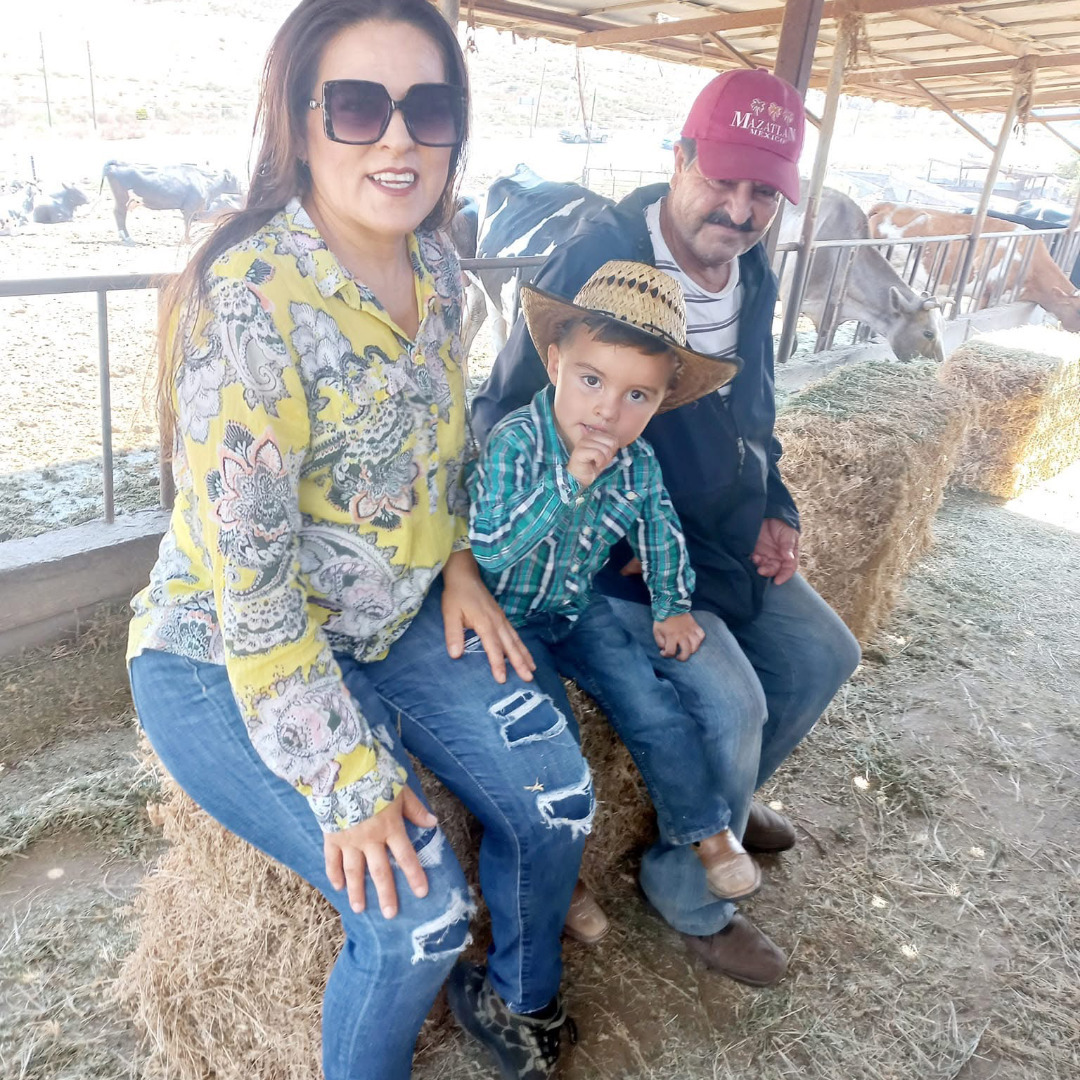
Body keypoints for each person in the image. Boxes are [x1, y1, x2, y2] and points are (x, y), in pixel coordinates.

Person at [127, 3, 586, 1078]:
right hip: (224, 651)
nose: (398, 138)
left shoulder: (444, 276)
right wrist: (346, 776)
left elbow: (442, 449)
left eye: (429, 108)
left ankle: (515, 999)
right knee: (417, 916)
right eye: (357, 105)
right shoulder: (248, 302)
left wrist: (457, 561)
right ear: (301, 122)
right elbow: (254, 589)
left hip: (392, 614)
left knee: (559, 797)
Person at [472, 67, 862, 989]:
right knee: (732, 704)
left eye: (763, 193)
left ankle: (720, 803)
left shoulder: (752, 269)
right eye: (721, 180)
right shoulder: (596, 257)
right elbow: (504, 409)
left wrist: (776, 504)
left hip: (711, 539)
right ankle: (690, 891)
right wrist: (577, 508)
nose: (739, 210)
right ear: (680, 158)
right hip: (612, 553)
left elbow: (755, 407)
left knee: (824, 655)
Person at [468, 261, 763, 933]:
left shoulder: (637, 462)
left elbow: (660, 530)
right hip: (508, 617)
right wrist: (567, 484)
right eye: (591, 380)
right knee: (555, 742)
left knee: (655, 709)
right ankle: (563, 879)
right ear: (554, 364)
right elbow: (491, 548)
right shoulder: (517, 443)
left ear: (662, 402)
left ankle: (707, 831)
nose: (608, 409)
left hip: (577, 609)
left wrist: (672, 605)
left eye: (637, 396)